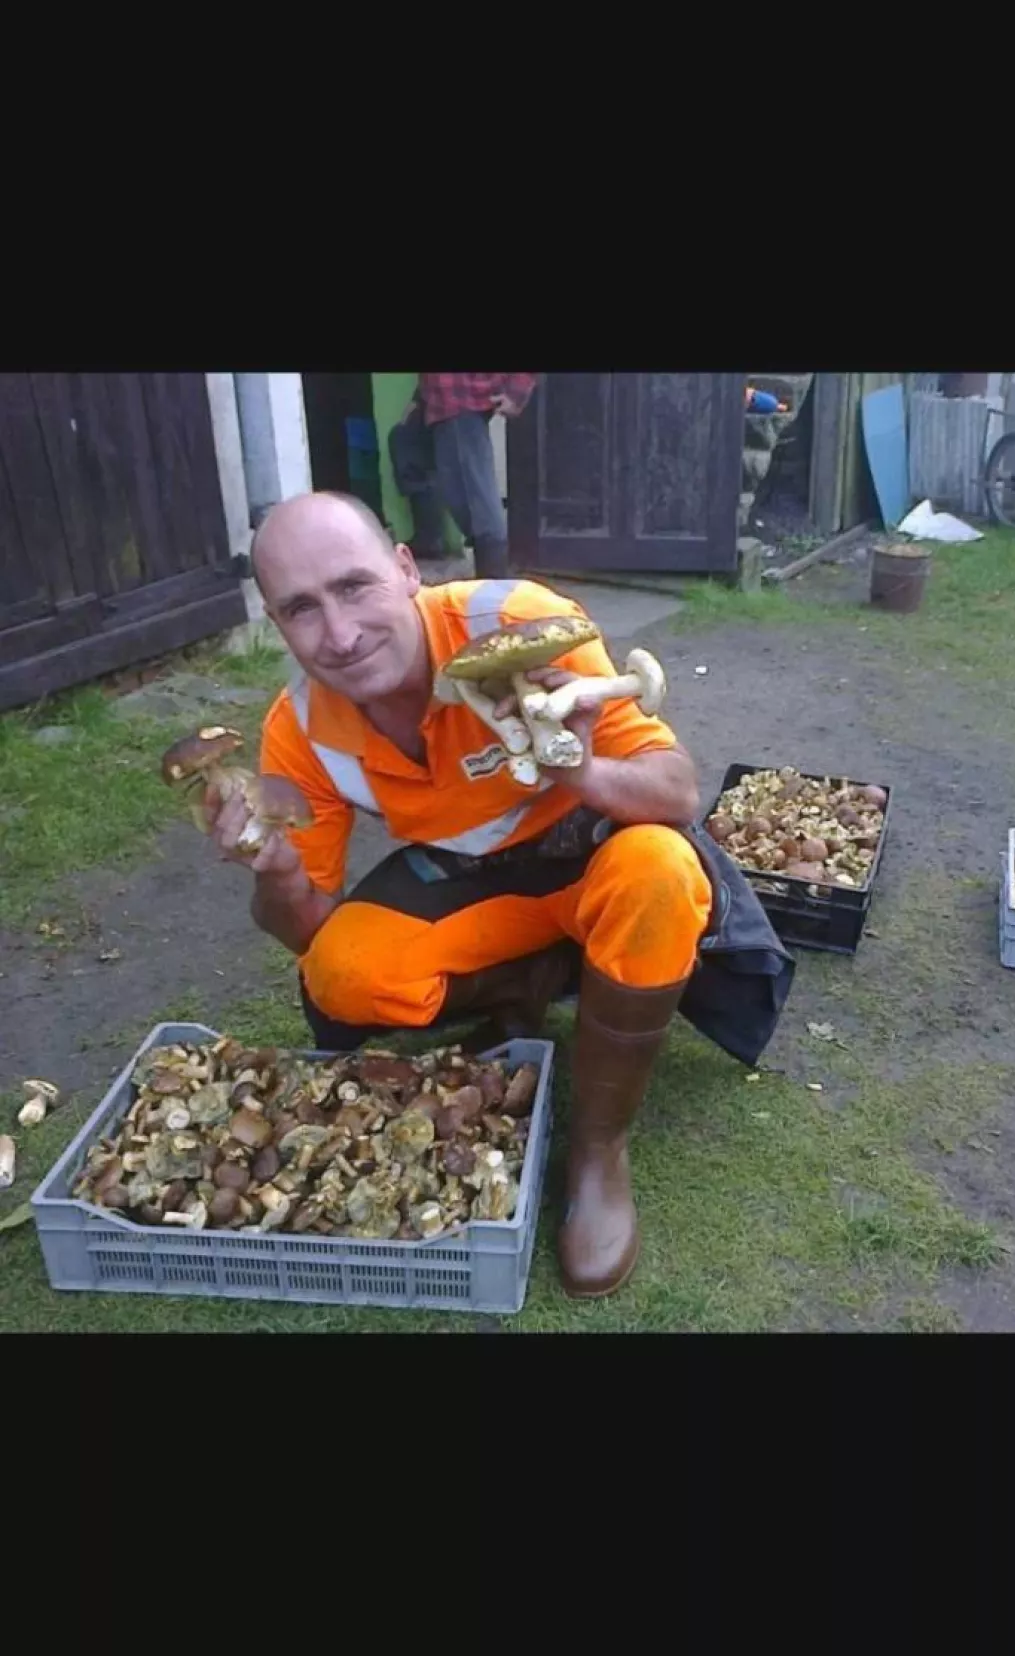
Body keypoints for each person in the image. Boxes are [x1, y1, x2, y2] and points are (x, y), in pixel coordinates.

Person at [202, 491, 793, 1300]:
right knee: (340, 973)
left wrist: (578, 769)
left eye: (354, 586)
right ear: (275, 622)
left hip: (592, 852)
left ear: (405, 568)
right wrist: (275, 874)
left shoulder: (518, 623)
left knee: (660, 869)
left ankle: (598, 1149)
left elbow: (677, 790)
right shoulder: (299, 727)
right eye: (302, 608)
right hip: (475, 880)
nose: (338, 634)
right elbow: (306, 928)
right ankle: (528, 985)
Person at [391, 372, 538, 579]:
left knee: (474, 496)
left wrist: (516, 393)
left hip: (462, 397)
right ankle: (430, 538)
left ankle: (493, 579)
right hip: (437, 394)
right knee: (405, 440)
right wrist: (420, 396)